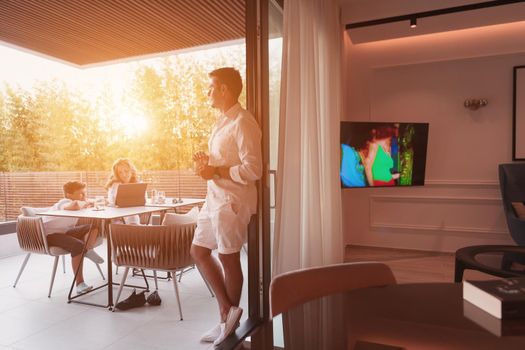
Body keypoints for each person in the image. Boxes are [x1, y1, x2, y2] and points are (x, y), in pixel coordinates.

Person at [190, 67, 262, 345]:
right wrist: (206, 166)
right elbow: (224, 161)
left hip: (231, 201)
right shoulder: (222, 121)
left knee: (228, 258)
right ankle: (226, 313)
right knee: (198, 251)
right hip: (214, 199)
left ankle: (227, 327)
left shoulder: (243, 122)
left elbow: (253, 169)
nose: (207, 92)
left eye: (211, 87)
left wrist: (217, 172)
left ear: (224, 89)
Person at [43, 181, 104, 294]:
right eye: (81, 194)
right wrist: (86, 202)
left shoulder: (78, 204)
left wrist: (89, 202)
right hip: (49, 235)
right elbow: (75, 205)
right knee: (78, 245)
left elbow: (82, 206)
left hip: (64, 232)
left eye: (85, 193)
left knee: (93, 227)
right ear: (69, 195)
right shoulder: (64, 202)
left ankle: (88, 250)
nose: (84, 196)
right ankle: (80, 284)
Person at [104, 158, 141, 224]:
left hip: (132, 216)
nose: (123, 175)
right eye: (120, 172)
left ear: (131, 171)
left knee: (132, 216)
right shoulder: (115, 185)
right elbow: (112, 202)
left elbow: (144, 200)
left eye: (126, 171)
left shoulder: (138, 184)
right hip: (117, 217)